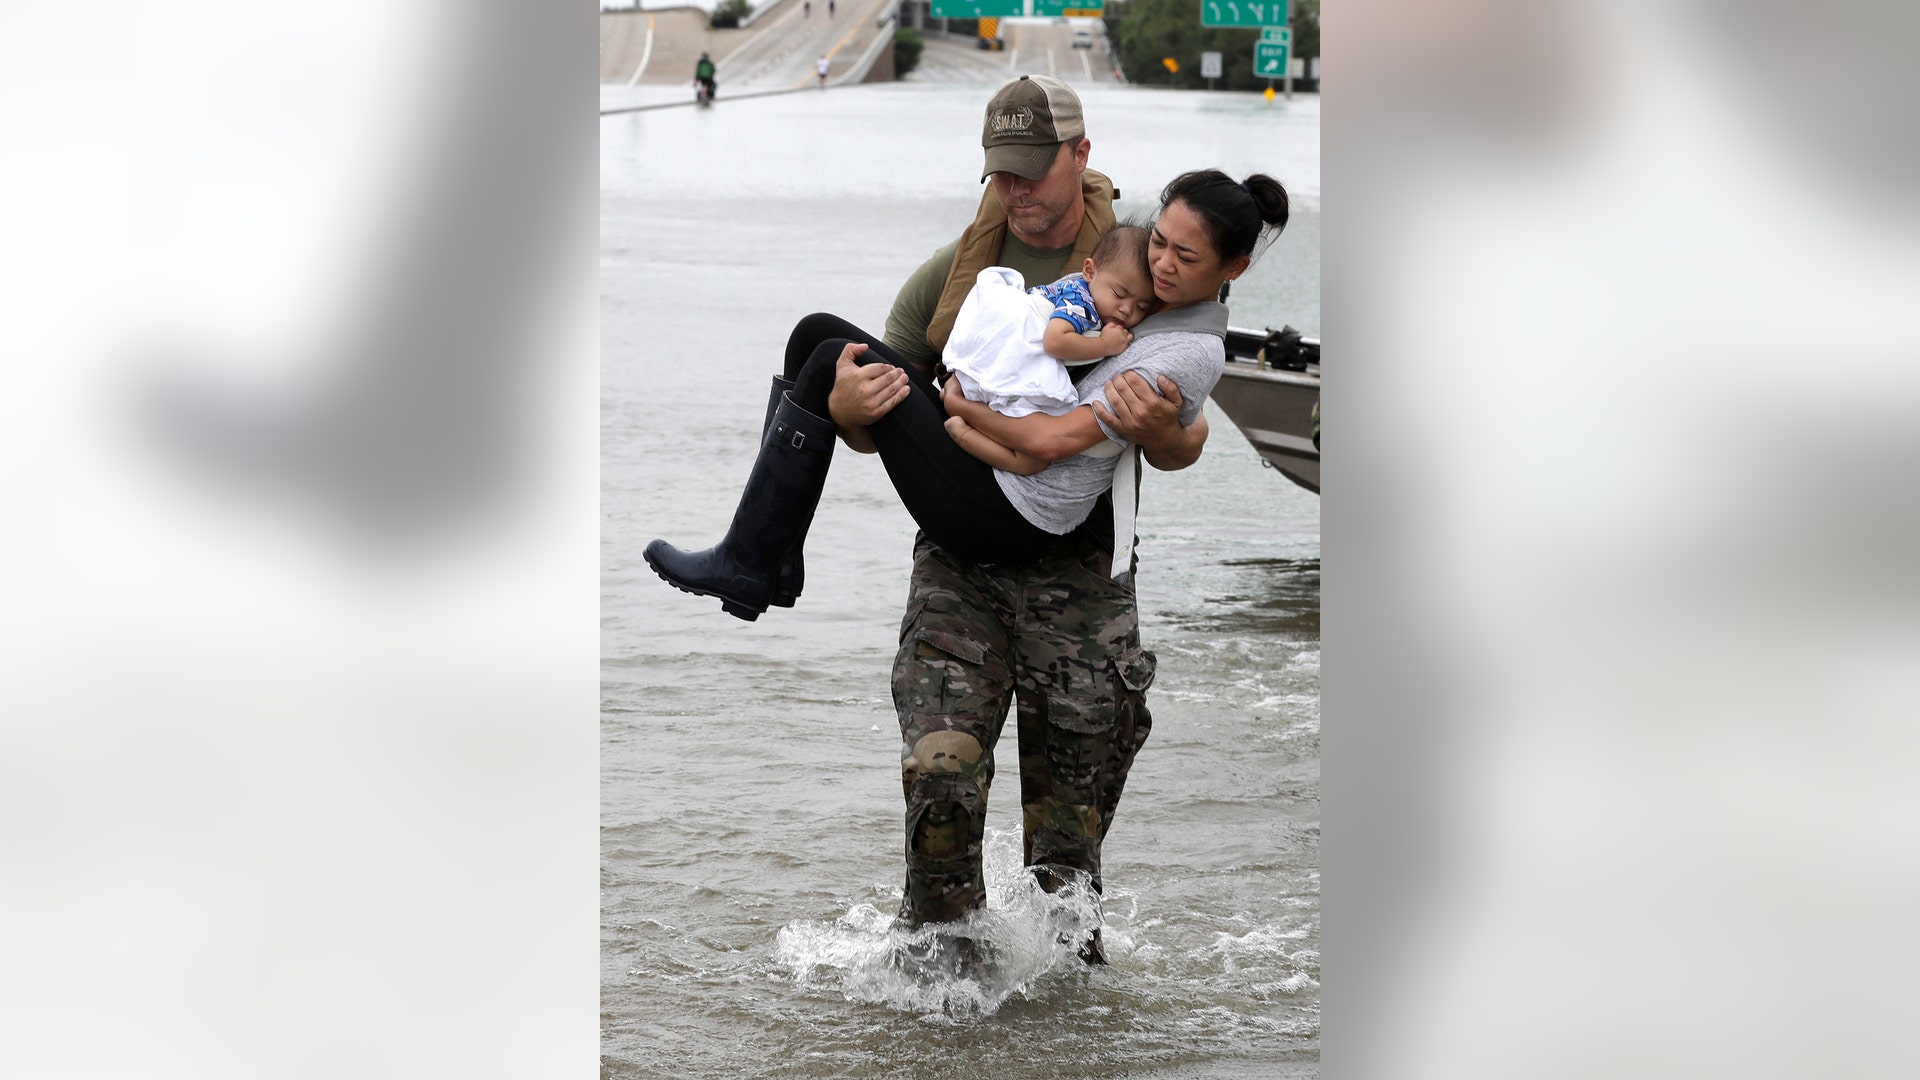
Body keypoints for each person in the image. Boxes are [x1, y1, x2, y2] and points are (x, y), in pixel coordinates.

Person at [652, 76, 1291, 966]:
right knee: (941, 780)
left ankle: (1077, 1029)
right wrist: (843, 407)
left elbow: (1180, 438)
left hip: (1081, 577)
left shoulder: (1151, 262)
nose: (1017, 192)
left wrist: (1160, 429)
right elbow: (893, 435)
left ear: (1083, 155)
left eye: (1034, 172)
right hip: (963, 557)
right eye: (1000, 175)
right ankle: (938, 1008)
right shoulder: (952, 277)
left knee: (1068, 852)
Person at [940, 223, 1160, 474]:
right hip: (1009, 362)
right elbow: (1055, 342)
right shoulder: (1081, 303)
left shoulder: (1082, 294)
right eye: (1119, 294)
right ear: (1089, 271)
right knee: (1031, 461)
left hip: (991, 361)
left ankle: (968, 428)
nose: (1126, 310)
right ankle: (963, 434)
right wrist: (1104, 345)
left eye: (1141, 307)